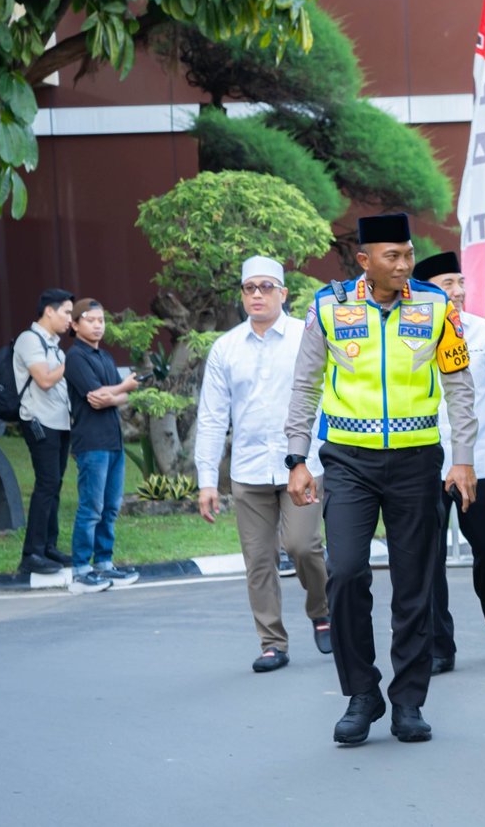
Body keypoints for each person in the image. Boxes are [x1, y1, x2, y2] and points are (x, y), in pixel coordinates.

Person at [284, 213, 479, 747]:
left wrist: (462, 457)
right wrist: (296, 457)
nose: (404, 265)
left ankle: (409, 702)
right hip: (348, 461)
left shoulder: (437, 307)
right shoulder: (328, 307)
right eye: (391, 256)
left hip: (417, 460)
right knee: (345, 573)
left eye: (408, 254)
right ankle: (361, 693)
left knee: (415, 582)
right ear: (364, 261)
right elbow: (304, 387)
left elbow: (459, 386)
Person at [196, 256, 331, 673]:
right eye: (249, 287)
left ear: (283, 294)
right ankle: (272, 642)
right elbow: (213, 415)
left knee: (302, 546)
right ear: (242, 294)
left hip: (302, 465)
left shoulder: (305, 337)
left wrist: (319, 451)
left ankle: (322, 611)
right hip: (250, 469)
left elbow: (325, 395)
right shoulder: (226, 347)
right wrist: (206, 480)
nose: (257, 294)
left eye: (266, 287)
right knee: (258, 560)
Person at [411, 251, 485, 673]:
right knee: (427, 558)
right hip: (423, 463)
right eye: (446, 284)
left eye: (460, 282)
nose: (457, 291)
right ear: (423, 292)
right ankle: (441, 643)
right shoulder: (409, 333)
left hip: (481, 462)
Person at [64, 299, 141, 595]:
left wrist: (116, 393)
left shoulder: (105, 357)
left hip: (113, 441)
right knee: (91, 507)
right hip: (91, 443)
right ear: (75, 325)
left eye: (101, 320)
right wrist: (122, 389)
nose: (98, 325)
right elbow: (96, 396)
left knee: (110, 507)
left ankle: (104, 563)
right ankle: (82, 569)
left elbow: (115, 398)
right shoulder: (76, 358)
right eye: (91, 319)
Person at [14, 288, 75, 577]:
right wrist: (70, 363)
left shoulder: (55, 345)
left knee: (55, 485)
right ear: (48, 311)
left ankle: (49, 546)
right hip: (39, 422)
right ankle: (32, 554)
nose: (70, 319)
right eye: (66, 312)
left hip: (60, 422)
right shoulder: (30, 340)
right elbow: (45, 379)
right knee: (46, 484)